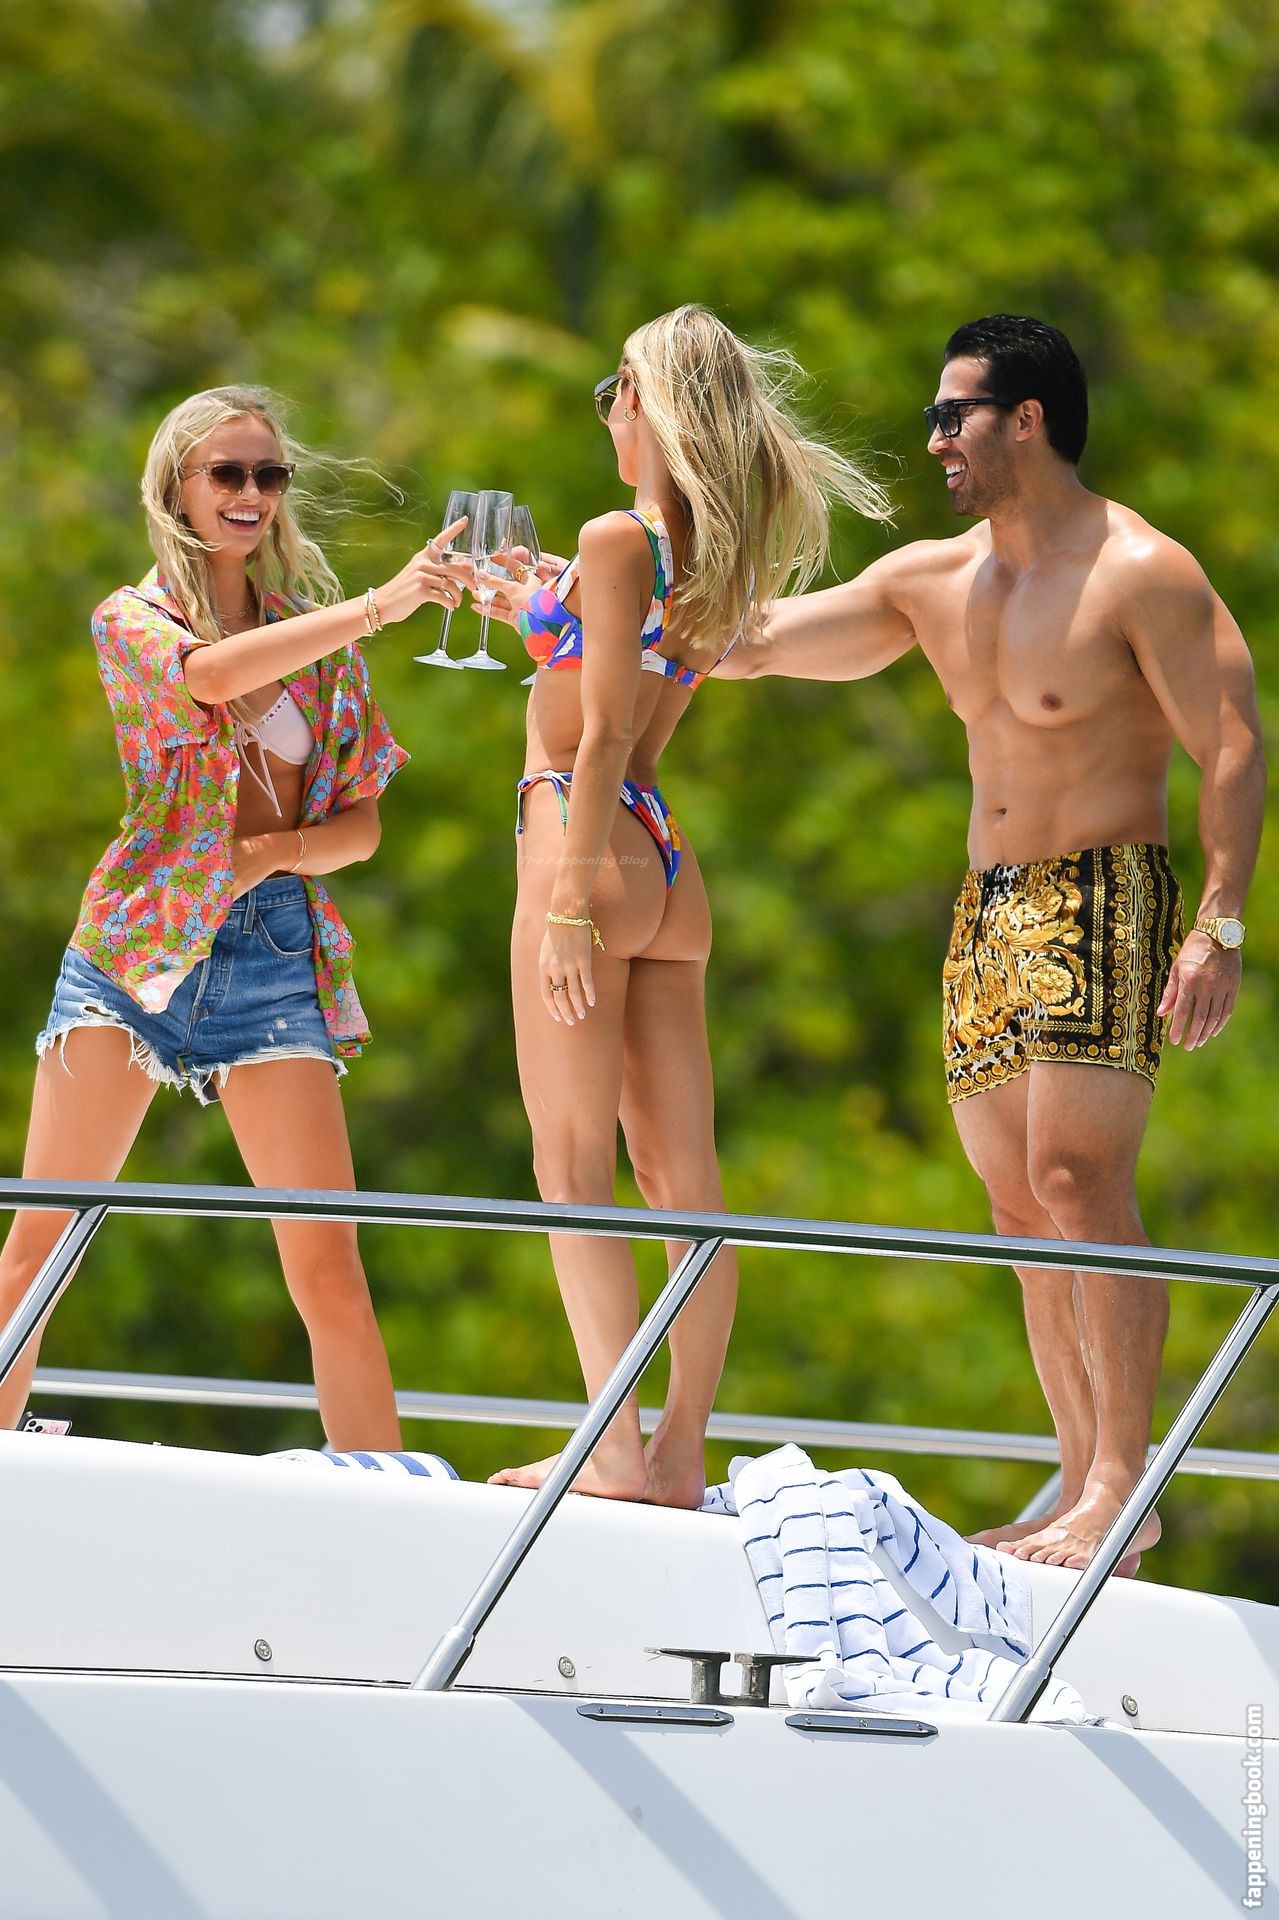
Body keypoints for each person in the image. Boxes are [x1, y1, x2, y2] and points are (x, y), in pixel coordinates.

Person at [718, 315, 1266, 1569]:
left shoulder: (1138, 568)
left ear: (1027, 419)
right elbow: (754, 644)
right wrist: (587, 598)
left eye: (951, 414)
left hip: (1102, 887)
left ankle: (1123, 1484)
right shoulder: (933, 579)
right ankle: (1076, 1476)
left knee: (1079, 1181)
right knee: (1017, 1207)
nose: (933, 440)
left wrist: (1220, 922)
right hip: (986, 906)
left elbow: (1233, 742)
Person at [479, 304, 892, 1506]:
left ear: (649, 404)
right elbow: (625, 671)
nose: (606, 413)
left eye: (614, 390)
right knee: (684, 1182)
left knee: (571, 1165)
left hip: (582, 834)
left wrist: (565, 900)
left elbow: (602, 729)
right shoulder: (710, 549)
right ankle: (676, 1452)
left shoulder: (614, 536)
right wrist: (536, 605)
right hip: (663, 861)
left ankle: (611, 1452)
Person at [0, 385, 465, 1449]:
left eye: (269, 474)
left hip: (270, 955)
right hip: (136, 952)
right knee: (39, 1247)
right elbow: (207, 682)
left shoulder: (318, 641)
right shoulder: (131, 620)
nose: (251, 492)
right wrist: (380, 605)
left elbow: (360, 827)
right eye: (227, 473)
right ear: (177, 487)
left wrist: (268, 855)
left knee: (329, 1266)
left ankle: (385, 1505)